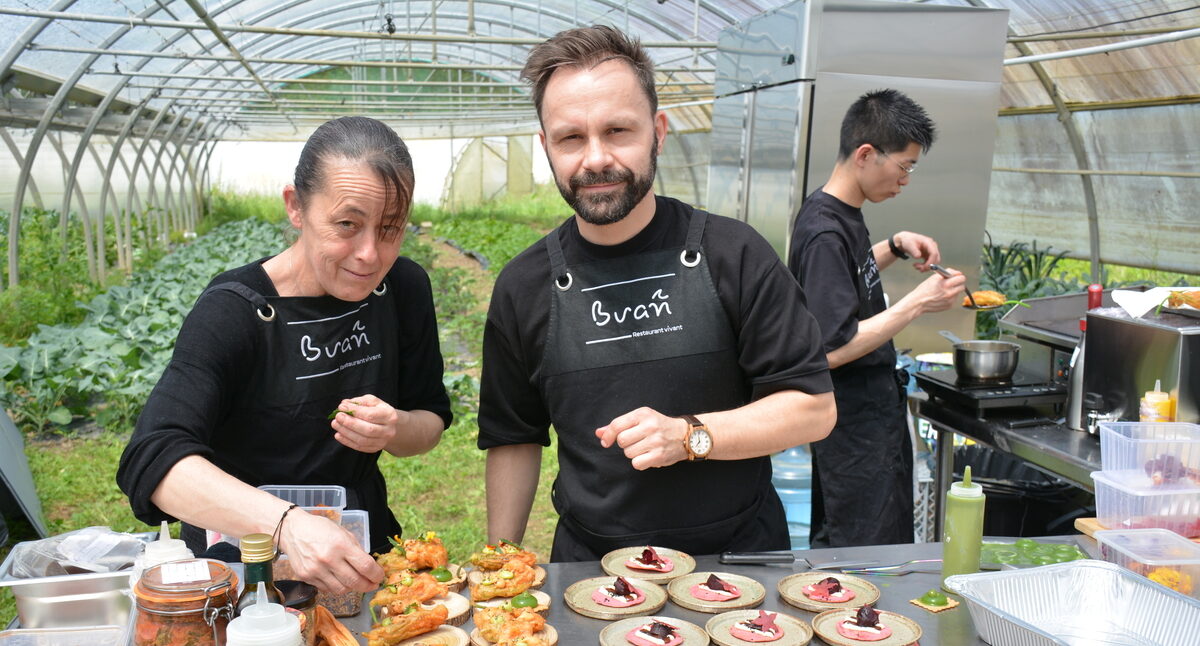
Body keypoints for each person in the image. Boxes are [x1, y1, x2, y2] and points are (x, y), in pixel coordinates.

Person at [478, 25, 837, 562]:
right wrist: (498, 562)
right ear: (546, 147)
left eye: (618, 130)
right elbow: (514, 438)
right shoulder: (523, 286)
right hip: (590, 568)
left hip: (739, 563)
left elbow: (812, 408)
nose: (596, 158)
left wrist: (691, 435)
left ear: (659, 132)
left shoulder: (733, 254)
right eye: (571, 138)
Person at [117, 116, 452, 594]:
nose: (370, 254)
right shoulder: (235, 310)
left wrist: (396, 427)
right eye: (347, 225)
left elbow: (431, 420)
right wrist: (289, 526)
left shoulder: (403, 288)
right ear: (296, 207)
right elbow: (153, 460)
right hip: (240, 559)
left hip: (357, 544)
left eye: (390, 228)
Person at [787, 89, 966, 548]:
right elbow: (830, 349)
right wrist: (917, 303)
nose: (906, 179)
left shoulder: (838, 212)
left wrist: (894, 246)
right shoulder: (826, 231)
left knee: (856, 543)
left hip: (867, 419)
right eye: (904, 166)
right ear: (866, 154)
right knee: (865, 554)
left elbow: (846, 278)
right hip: (854, 429)